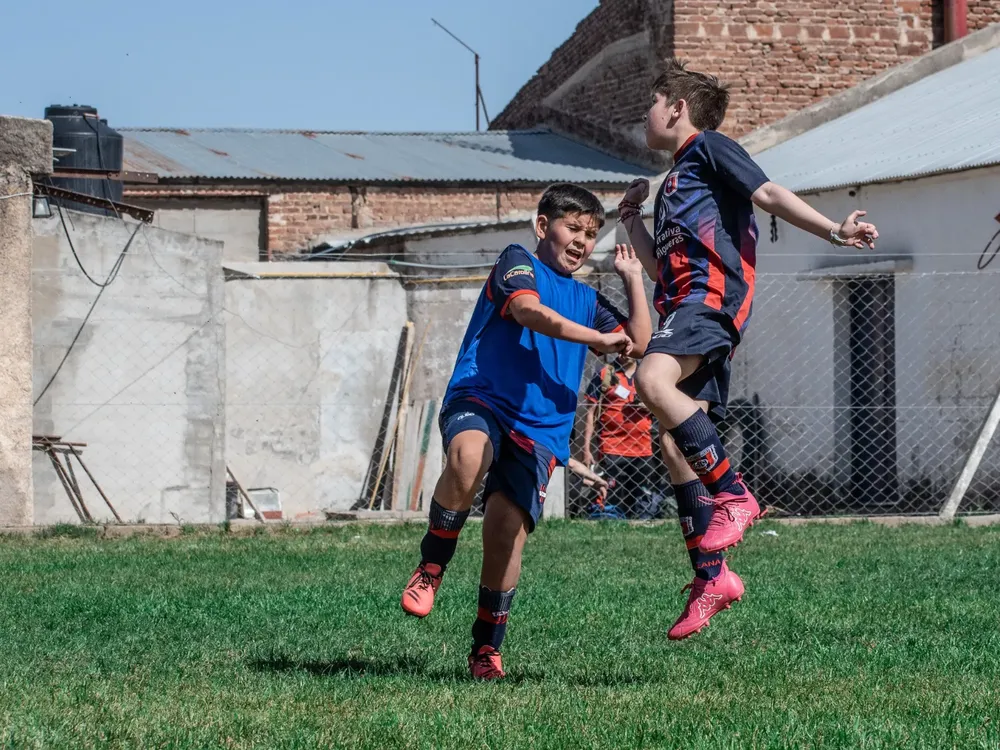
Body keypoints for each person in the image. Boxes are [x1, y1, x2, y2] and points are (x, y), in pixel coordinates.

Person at [618, 60, 878, 640]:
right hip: (684, 304)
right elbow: (660, 268)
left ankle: (734, 495)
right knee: (672, 441)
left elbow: (768, 192)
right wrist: (631, 218)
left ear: (677, 108)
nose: (645, 114)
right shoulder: (675, 183)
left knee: (651, 383)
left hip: (707, 304)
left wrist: (835, 231)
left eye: (651, 103)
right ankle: (713, 578)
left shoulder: (709, 148)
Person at [399, 184, 652, 679]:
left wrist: (634, 279)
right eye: (572, 228)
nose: (581, 241)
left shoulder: (587, 298)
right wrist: (598, 338)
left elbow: (638, 342)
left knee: (505, 535)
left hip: (541, 429)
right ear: (543, 226)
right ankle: (431, 566)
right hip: (482, 397)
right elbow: (526, 311)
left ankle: (485, 650)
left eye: (590, 234)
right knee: (469, 457)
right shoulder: (517, 261)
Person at [582, 354, 666, 520]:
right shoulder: (606, 374)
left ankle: (641, 522)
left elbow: (664, 404)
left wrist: (649, 406)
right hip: (611, 446)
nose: (624, 353)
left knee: (641, 495)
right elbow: (590, 413)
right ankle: (608, 518)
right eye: (619, 348)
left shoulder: (648, 373)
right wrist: (586, 449)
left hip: (643, 447)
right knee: (610, 493)